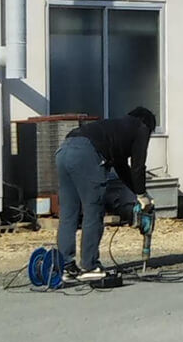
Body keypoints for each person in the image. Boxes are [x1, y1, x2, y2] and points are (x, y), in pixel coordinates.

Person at [56, 107, 156, 281]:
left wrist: (138, 192)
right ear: (148, 124)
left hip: (64, 150)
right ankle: (89, 265)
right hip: (87, 154)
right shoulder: (142, 127)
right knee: (93, 210)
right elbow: (138, 167)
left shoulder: (116, 127)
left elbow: (122, 167)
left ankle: (65, 266)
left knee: (68, 213)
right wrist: (142, 195)